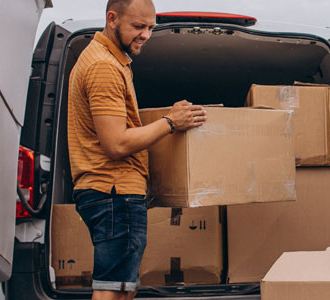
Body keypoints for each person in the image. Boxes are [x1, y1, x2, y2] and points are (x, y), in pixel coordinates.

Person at [67, 0, 206, 299]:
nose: (145, 35)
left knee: (123, 287)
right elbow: (116, 143)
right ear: (112, 18)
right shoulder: (104, 66)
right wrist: (171, 122)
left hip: (111, 193)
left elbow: (121, 125)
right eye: (138, 27)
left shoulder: (111, 61)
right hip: (113, 192)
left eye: (151, 28)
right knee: (112, 290)